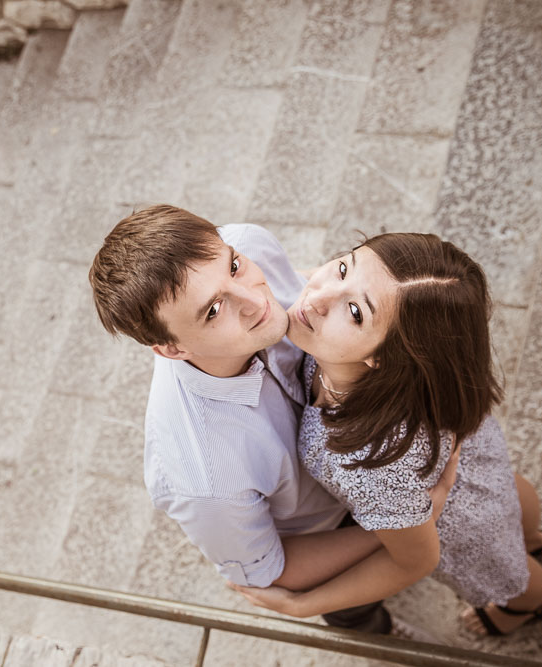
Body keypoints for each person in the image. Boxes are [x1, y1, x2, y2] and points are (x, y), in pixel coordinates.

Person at [89, 206, 454, 637]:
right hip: (323, 528)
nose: (257, 301)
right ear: (171, 349)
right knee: (358, 616)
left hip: (370, 452)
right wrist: (397, 524)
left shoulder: (245, 242)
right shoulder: (205, 479)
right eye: (212, 311)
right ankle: (379, 634)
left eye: (235, 267)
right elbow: (271, 571)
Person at [231, 232, 542, 636]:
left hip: (457, 528)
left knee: (512, 576)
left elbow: (413, 561)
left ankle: (533, 605)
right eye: (342, 267)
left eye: (354, 311)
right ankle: (532, 538)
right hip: (476, 472)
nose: (316, 296)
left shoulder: (365, 463)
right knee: (509, 496)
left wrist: (303, 605)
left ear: (383, 356)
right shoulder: (410, 368)